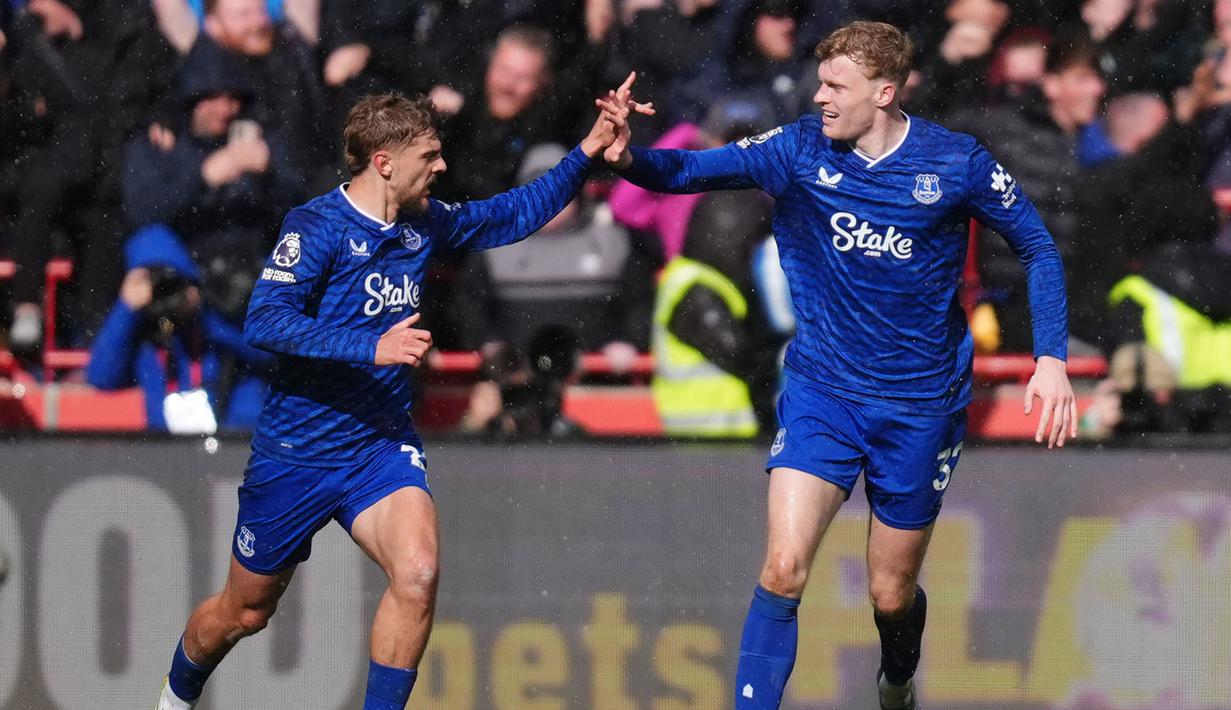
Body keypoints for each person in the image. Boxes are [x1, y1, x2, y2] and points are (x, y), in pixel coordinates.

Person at [598, 21, 1076, 710]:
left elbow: (1036, 247)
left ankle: (898, 680)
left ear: (883, 92)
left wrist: (1050, 359)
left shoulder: (955, 163)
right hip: (823, 390)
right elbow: (689, 172)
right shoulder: (795, 150)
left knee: (888, 593)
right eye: (818, 81)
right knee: (784, 567)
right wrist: (625, 158)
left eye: (833, 86)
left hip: (919, 406)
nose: (817, 95)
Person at [153, 90, 623, 709]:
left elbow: (510, 214)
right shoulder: (316, 227)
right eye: (429, 154)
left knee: (419, 572)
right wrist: (368, 347)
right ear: (383, 162)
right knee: (243, 613)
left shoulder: (423, 222)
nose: (442, 166)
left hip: (378, 444)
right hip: (298, 452)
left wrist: (587, 150)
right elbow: (264, 322)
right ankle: (172, 697)